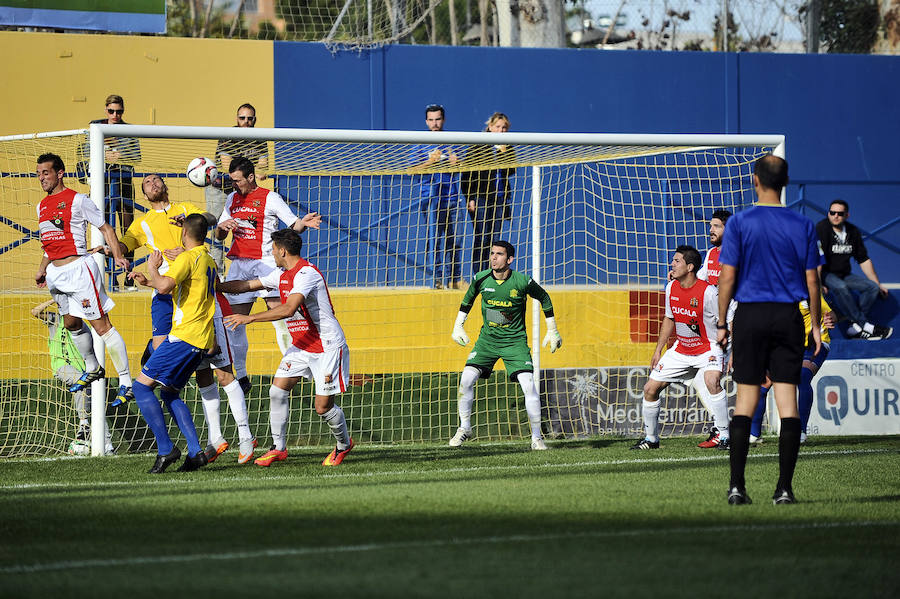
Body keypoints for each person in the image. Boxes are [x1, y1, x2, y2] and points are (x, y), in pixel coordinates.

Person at [114, 174, 255, 461]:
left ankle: (245, 439)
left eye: (156, 181)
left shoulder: (188, 217)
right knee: (198, 374)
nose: (152, 184)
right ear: (143, 194)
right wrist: (110, 247)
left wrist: (184, 243)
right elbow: (125, 244)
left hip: (191, 300)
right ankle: (213, 439)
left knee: (221, 373)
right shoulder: (142, 223)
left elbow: (208, 219)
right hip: (171, 299)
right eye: (147, 184)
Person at [717, 154, 823, 506]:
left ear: (755, 180)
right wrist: (818, 325)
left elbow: (728, 275)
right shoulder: (803, 224)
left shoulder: (741, 222)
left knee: (746, 400)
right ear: (786, 182)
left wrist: (721, 323)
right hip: (788, 316)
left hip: (750, 315)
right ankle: (784, 490)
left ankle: (736, 488)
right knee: (787, 401)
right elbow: (813, 279)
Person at [220, 228, 354, 468]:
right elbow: (248, 285)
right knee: (277, 390)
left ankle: (344, 445)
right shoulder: (281, 274)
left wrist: (249, 318)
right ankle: (278, 448)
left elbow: (288, 309)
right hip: (302, 345)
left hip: (327, 345)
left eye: (272, 250)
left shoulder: (306, 274)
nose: (271, 253)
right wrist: (217, 286)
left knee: (322, 408)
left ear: (282, 250)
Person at [215, 156, 321, 395]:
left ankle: (295, 368)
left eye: (238, 180)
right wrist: (223, 227)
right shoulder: (231, 199)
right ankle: (241, 375)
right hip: (240, 265)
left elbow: (292, 225)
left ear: (251, 177)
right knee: (232, 323)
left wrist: (302, 223)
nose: (234, 185)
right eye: (232, 181)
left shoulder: (270, 197)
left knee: (282, 317)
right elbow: (219, 236)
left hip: (266, 265)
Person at [34, 153, 134, 407]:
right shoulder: (41, 206)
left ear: (60, 173)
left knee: (102, 326)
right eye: (38, 174)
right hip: (56, 274)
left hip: (79, 269)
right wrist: (42, 268)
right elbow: (50, 243)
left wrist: (119, 256)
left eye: (46, 173)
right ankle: (93, 368)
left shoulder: (78, 200)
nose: (42, 178)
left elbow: (107, 229)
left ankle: (126, 382)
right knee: (70, 323)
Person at [449, 241, 562, 451]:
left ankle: (537, 438)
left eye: (499, 254)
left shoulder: (522, 281)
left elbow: (545, 298)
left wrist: (552, 330)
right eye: (492, 253)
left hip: (515, 343)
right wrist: (458, 326)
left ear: (509, 259)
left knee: (529, 386)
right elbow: (467, 300)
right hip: (487, 342)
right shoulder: (480, 278)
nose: (493, 257)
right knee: (465, 380)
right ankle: (464, 428)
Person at [128, 214, 217, 473]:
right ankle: (195, 452)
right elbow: (185, 290)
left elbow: (165, 286)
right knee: (168, 393)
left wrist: (153, 267)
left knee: (142, 388)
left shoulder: (188, 257)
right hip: (200, 339)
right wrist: (148, 282)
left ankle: (166, 449)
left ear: (183, 234)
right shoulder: (208, 259)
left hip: (184, 336)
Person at [630, 245, 729, 450]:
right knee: (650, 389)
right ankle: (651, 439)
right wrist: (659, 350)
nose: (672, 264)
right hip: (681, 349)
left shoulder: (708, 292)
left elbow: (726, 320)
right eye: (672, 261)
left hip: (708, 347)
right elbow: (669, 318)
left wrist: (731, 349)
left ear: (690, 267)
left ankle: (726, 436)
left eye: (677, 261)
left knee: (711, 381)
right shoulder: (671, 288)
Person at [30, 299, 114, 455]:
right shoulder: (55, 319)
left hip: (84, 370)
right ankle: (83, 425)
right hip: (62, 367)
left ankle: (107, 445)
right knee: (80, 381)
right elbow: (35, 312)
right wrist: (53, 299)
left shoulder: (85, 327)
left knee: (96, 403)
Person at [750, 298, 835, 445]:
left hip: (816, 343)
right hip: (787, 346)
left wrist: (830, 319)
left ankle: (800, 431)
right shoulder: (776, 295)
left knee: (802, 376)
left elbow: (831, 314)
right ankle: (754, 434)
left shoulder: (808, 292)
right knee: (763, 383)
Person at [206, 103, 269, 274]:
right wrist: (252, 173)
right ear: (237, 119)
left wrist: (254, 173)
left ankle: (240, 269)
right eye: (242, 118)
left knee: (242, 228)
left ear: (255, 120)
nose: (246, 122)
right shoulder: (229, 136)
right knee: (217, 229)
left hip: (242, 191)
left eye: (250, 118)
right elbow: (229, 166)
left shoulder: (260, 138)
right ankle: (217, 271)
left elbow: (263, 166)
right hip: (220, 189)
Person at [816, 199, 892, 340]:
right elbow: (816, 259)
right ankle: (864, 325)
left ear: (846, 215)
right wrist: (818, 283)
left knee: (872, 287)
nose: (836, 216)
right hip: (827, 274)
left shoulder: (852, 231)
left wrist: (878, 283)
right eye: (832, 213)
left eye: (840, 213)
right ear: (828, 214)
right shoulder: (821, 229)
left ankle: (854, 327)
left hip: (844, 274)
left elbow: (863, 259)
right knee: (841, 287)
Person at [88, 94, 142, 291]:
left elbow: (137, 157)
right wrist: (104, 155)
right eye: (111, 111)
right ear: (105, 110)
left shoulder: (129, 130)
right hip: (101, 183)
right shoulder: (94, 126)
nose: (115, 115)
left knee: (128, 229)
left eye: (119, 111)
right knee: (103, 229)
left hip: (124, 181)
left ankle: (128, 276)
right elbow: (84, 153)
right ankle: (108, 277)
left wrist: (120, 155)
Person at [693, 209, 735, 449]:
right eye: (711, 225)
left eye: (717, 226)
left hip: (731, 326)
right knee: (702, 379)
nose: (711, 230)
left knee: (709, 378)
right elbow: (698, 282)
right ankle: (723, 430)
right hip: (712, 328)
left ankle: (726, 431)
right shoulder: (710, 255)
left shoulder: (739, 256)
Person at [411, 104, 463, 290]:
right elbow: (412, 170)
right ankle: (437, 280)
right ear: (426, 121)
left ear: (444, 120)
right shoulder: (420, 143)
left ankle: (455, 279)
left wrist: (454, 161)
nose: (435, 123)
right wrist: (430, 161)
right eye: (431, 120)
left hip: (452, 197)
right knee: (435, 240)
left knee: (455, 240)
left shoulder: (451, 142)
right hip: (431, 199)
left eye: (438, 119)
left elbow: (462, 168)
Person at [461, 112, 516, 274]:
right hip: (481, 198)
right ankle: (478, 274)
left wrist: (503, 153)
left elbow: (511, 170)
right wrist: (470, 198)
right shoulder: (478, 145)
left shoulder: (507, 147)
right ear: (490, 127)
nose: (501, 131)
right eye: (498, 127)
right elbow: (467, 175)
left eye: (504, 127)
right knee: (482, 237)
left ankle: (491, 273)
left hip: (499, 198)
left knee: (494, 240)